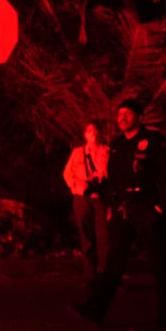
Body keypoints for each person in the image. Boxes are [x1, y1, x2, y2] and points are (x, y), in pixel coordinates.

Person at [70, 96, 166, 331]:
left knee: (160, 264)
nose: (122, 118)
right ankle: (95, 310)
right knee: (113, 263)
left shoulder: (154, 142)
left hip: (148, 209)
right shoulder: (118, 146)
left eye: (128, 114)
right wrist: (101, 191)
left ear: (139, 117)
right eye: (119, 115)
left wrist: (160, 207)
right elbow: (114, 180)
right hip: (124, 209)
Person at [62, 120, 111, 281]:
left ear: (100, 133)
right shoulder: (77, 153)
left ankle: (105, 274)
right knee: (86, 237)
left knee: (104, 237)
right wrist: (78, 186)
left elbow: (113, 176)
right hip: (82, 197)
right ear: (85, 134)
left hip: (101, 198)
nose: (93, 134)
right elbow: (67, 174)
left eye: (96, 130)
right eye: (90, 131)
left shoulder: (107, 152)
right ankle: (90, 275)